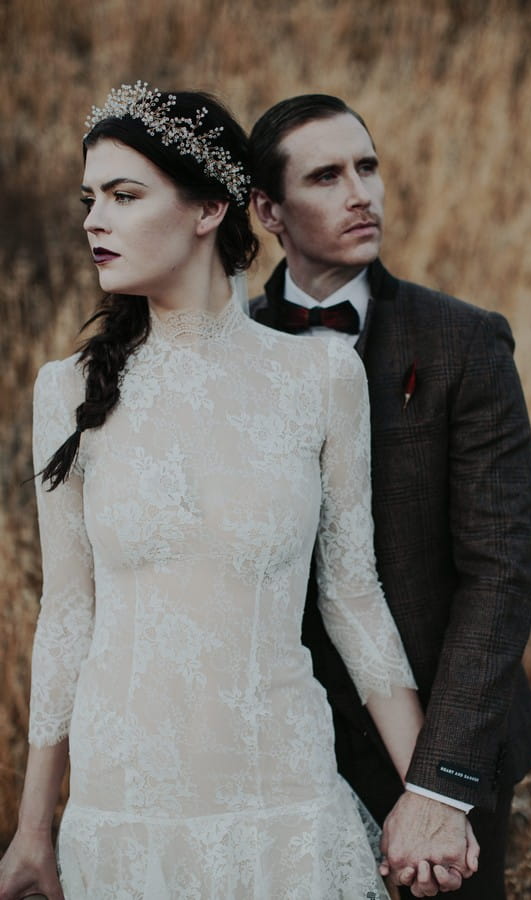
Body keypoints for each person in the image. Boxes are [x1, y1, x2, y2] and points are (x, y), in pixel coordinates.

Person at [0, 82, 456, 900]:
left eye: (123, 195)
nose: (92, 220)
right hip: (122, 819)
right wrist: (34, 830)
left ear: (210, 208)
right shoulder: (65, 390)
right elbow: (67, 614)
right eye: (88, 199)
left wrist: (428, 795)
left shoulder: (319, 377)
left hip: (284, 808)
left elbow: (354, 597)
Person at [248, 93, 531, 898]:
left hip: (446, 735)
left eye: (368, 166)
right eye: (327, 176)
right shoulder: (231, 356)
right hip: (287, 749)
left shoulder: (462, 342)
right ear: (267, 210)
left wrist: (439, 785)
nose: (362, 193)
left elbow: (501, 572)